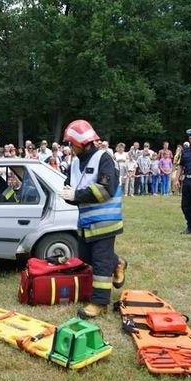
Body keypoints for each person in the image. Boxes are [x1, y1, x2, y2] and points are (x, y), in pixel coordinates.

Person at [58, 119, 127, 319]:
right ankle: (118, 263)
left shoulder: (104, 158)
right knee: (85, 257)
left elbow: (106, 189)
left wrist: (76, 195)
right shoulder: (75, 163)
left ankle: (99, 303)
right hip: (86, 223)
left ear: (81, 142)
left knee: (100, 263)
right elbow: (71, 188)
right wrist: (66, 194)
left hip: (106, 222)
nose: (70, 147)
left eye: (71, 143)